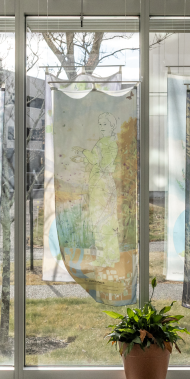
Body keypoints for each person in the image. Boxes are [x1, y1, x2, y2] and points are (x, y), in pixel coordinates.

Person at [72, 111, 120, 266]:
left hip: (102, 186)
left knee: (101, 221)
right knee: (102, 221)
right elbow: (97, 160)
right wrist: (83, 157)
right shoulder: (106, 142)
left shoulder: (107, 143)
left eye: (105, 124)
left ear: (112, 125)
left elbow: (101, 162)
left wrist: (83, 151)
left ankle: (106, 258)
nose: (102, 127)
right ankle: (108, 257)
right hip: (100, 185)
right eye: (100, 124)